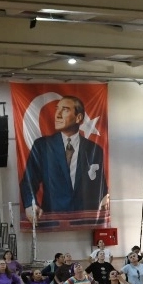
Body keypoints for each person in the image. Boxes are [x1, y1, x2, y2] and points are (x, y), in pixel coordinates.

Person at [20, 94, 110, 226]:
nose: (57, 115)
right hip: (53, 221)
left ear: (78, 117)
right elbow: (28, 181)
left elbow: (100, 185)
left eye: (65, 110)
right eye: (57, 109)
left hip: (85, 222)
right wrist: (30, 204)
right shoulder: (43, 146)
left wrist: (105, 197)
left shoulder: (94, 149)